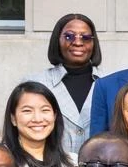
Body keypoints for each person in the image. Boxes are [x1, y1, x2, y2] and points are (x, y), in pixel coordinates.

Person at [29, 13, 107, 156]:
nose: (78, 42)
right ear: (57, 40)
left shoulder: (110, 83)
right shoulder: (34, 83)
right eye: (69, 36)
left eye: (86, 37)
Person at [2, 81, 80, 167]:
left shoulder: (73, 162)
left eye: (45, 110)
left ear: (54, 116)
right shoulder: (2, 165)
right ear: (13, 118)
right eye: (27, 111)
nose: (38, 119)